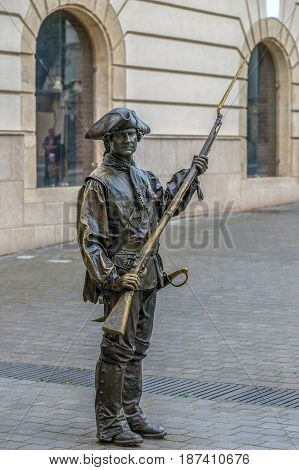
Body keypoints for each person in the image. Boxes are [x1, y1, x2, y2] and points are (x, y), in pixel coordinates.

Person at [77, 108, 208, 446]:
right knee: (116, 351)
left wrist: (190, 176)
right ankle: (109, 423)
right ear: (109, 141)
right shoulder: (99, 183)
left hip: (149, 275)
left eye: (134, 135)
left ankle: (131, 413)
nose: (130, 140)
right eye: (122, 135)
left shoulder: (144, 178)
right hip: (123, 278)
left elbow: (167, 204)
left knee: (138, 350)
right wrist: (110, 278)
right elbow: (91, 240)